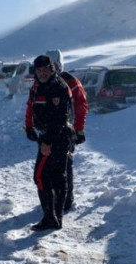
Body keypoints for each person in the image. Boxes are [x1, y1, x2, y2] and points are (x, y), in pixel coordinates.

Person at [24, 55, 74, 231]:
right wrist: (29, 127)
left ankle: (51, 217)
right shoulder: (40, 87)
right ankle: (54, 218)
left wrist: (47, 141)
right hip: (53, 136)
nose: (42, 73)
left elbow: (59, 118)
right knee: (56, 178)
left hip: (56, 138)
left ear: (52, 69)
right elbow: (32, 107)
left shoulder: (56, 87)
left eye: (45, 69)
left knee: (41, 177)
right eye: (38, 70)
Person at [47, 49, 88, 211]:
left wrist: (79, 130)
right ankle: (53, 195)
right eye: (49, 65)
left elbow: (81, 107)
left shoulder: (70, 81)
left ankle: (66, 198)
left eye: (54, 65)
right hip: (48, 132)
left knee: (64, 165)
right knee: (48, 165)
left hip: (66, 131)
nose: (51, 69)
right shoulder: (43, 81)